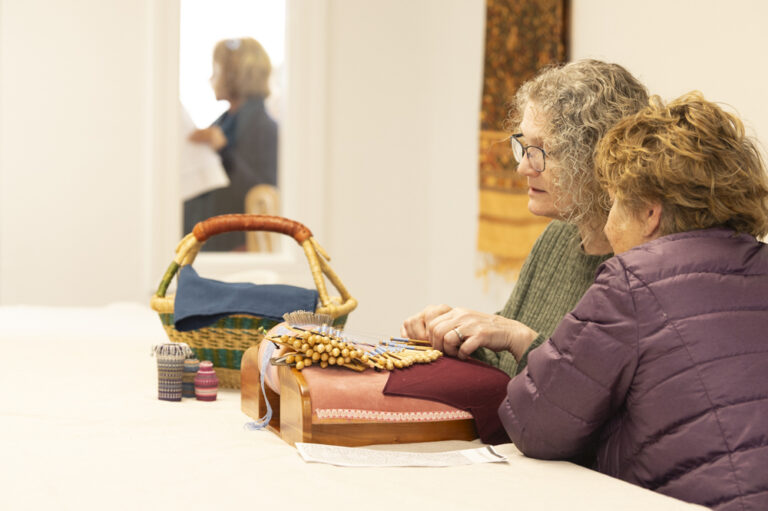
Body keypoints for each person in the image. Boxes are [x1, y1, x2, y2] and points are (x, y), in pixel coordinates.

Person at [499, 92, 768, 511]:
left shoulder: (631, 281)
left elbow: (533, 423)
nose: (607, 223)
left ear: (649, 214)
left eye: (614, 201)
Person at [401, 59, 649, 376]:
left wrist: (520, 338)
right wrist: (453, 336)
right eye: (525, 147)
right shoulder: (557, 237)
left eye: (542, 151)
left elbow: (592, 401)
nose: (523, 168)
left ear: (596, 159)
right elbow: (510, 370)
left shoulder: (638, 264)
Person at [184, 37, 278, 251]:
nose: (211, 79)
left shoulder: (265, 129)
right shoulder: (224, 123)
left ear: (235, 75)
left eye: (216, 71)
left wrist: (223, 150)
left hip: (237, 250)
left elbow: (263, 193)